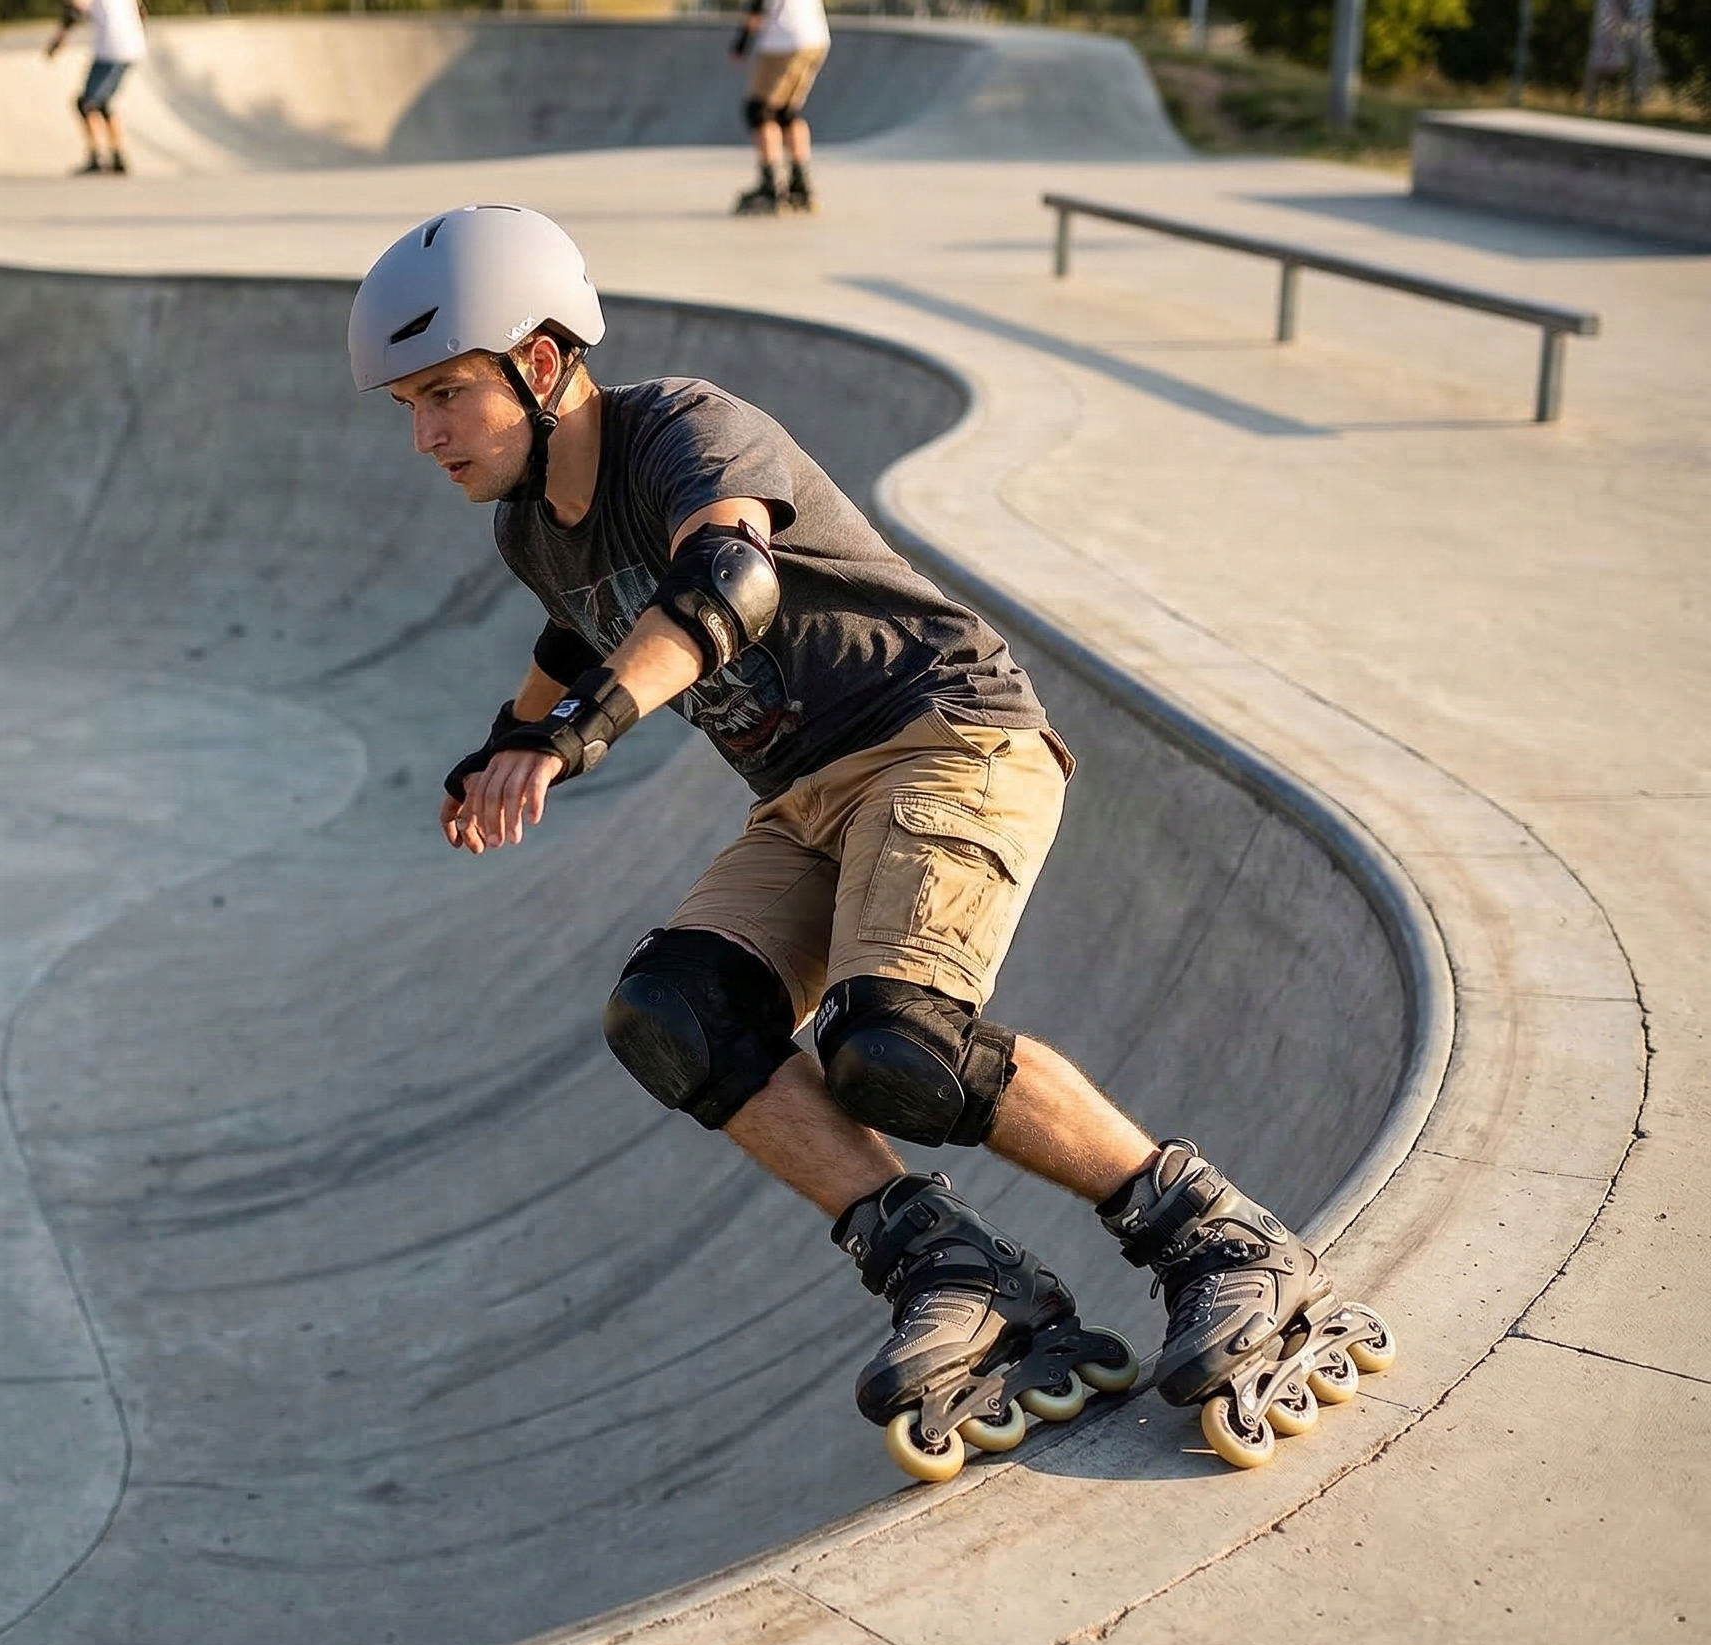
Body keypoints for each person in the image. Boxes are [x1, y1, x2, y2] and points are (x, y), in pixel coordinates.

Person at [347, 205, 1393, 1479]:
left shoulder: (683, 426)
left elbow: (726, 583)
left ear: (549, 361)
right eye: (407, 404)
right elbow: (573, 629)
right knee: (673, 1014)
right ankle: (954, 1269)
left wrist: (575, 740)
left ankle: (1218, 1242)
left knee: (894, 1042)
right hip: (803, 798)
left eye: (448, 392)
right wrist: (498, 741)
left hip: (945, 734)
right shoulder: (527, 526)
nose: (425, 436)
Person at [728, 0, 830, 214]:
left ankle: (770, 187)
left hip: (783, 42)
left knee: (760, 112)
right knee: (787, 113)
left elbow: (757, 7)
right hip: (815, 36)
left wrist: (741, 43)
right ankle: (800, 185)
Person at [45, 0, 146, 176]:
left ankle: (96, 157)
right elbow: (141, 9)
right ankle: (117, 156)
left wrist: (59, 38)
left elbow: (73, 11)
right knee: (102, 103)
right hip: (127, 47)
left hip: (113, 49)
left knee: (86, 103)